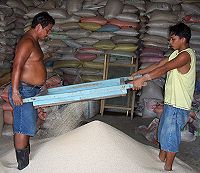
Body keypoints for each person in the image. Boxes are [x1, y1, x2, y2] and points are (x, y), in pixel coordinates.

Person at [131, 22, 196, 171]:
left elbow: (165, 68)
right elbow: (159, 64)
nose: (170, 42)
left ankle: (168, 168)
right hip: (171, 104)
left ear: (183, 39)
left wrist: (144, 79)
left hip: (179, 106)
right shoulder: (176, 54)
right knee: (163, 133)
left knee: (170, 137)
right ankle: (160, 160)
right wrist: (138, 74)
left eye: (173, 39)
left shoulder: (186, 56)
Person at [8, 12, 55, 170]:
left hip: (32, 90)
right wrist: (15, 92)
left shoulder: (34, 41)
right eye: (47, 30)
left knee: (28, 126)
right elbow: (17, 66)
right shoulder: (27, 41)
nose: (48, 33)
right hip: (23, 90)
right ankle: (22, 165)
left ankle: (26, 159)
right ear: (39, 26)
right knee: (22, 128)